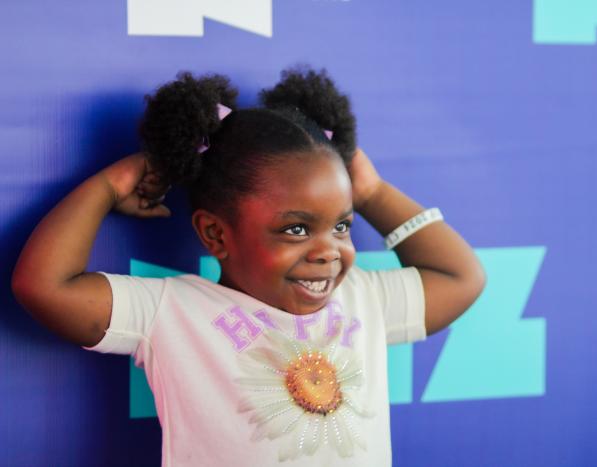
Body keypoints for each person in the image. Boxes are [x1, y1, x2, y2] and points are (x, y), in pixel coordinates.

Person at [11, 66, 486, 466]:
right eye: (297, 229)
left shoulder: (363, 297)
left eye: (341, 226)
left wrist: (373, 195)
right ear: (216, 234)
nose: (328, 250)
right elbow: (45, 286)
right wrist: (109, 187)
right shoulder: (173, 313)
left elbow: (460, 277)